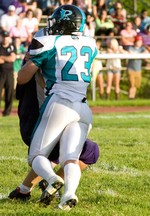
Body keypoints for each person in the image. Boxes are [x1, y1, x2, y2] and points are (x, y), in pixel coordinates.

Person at [16, 5, 98, 210]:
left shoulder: (49, 41)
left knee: (36, 156)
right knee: (70, 158)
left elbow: (23, 78)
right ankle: (69, 195)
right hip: (84, 108)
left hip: (59, 102)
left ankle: (52, 179)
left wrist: (30, 62)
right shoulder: (91, 43)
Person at [0, 31, 16, 117]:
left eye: (7, 37)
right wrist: (7, 58)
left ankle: (7, 112)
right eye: (4, 36)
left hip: (9, 73)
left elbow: (12, 59)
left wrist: (2, 57)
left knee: (9, 92)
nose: (5, 38)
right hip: (0, 73)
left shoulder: (12, 46)